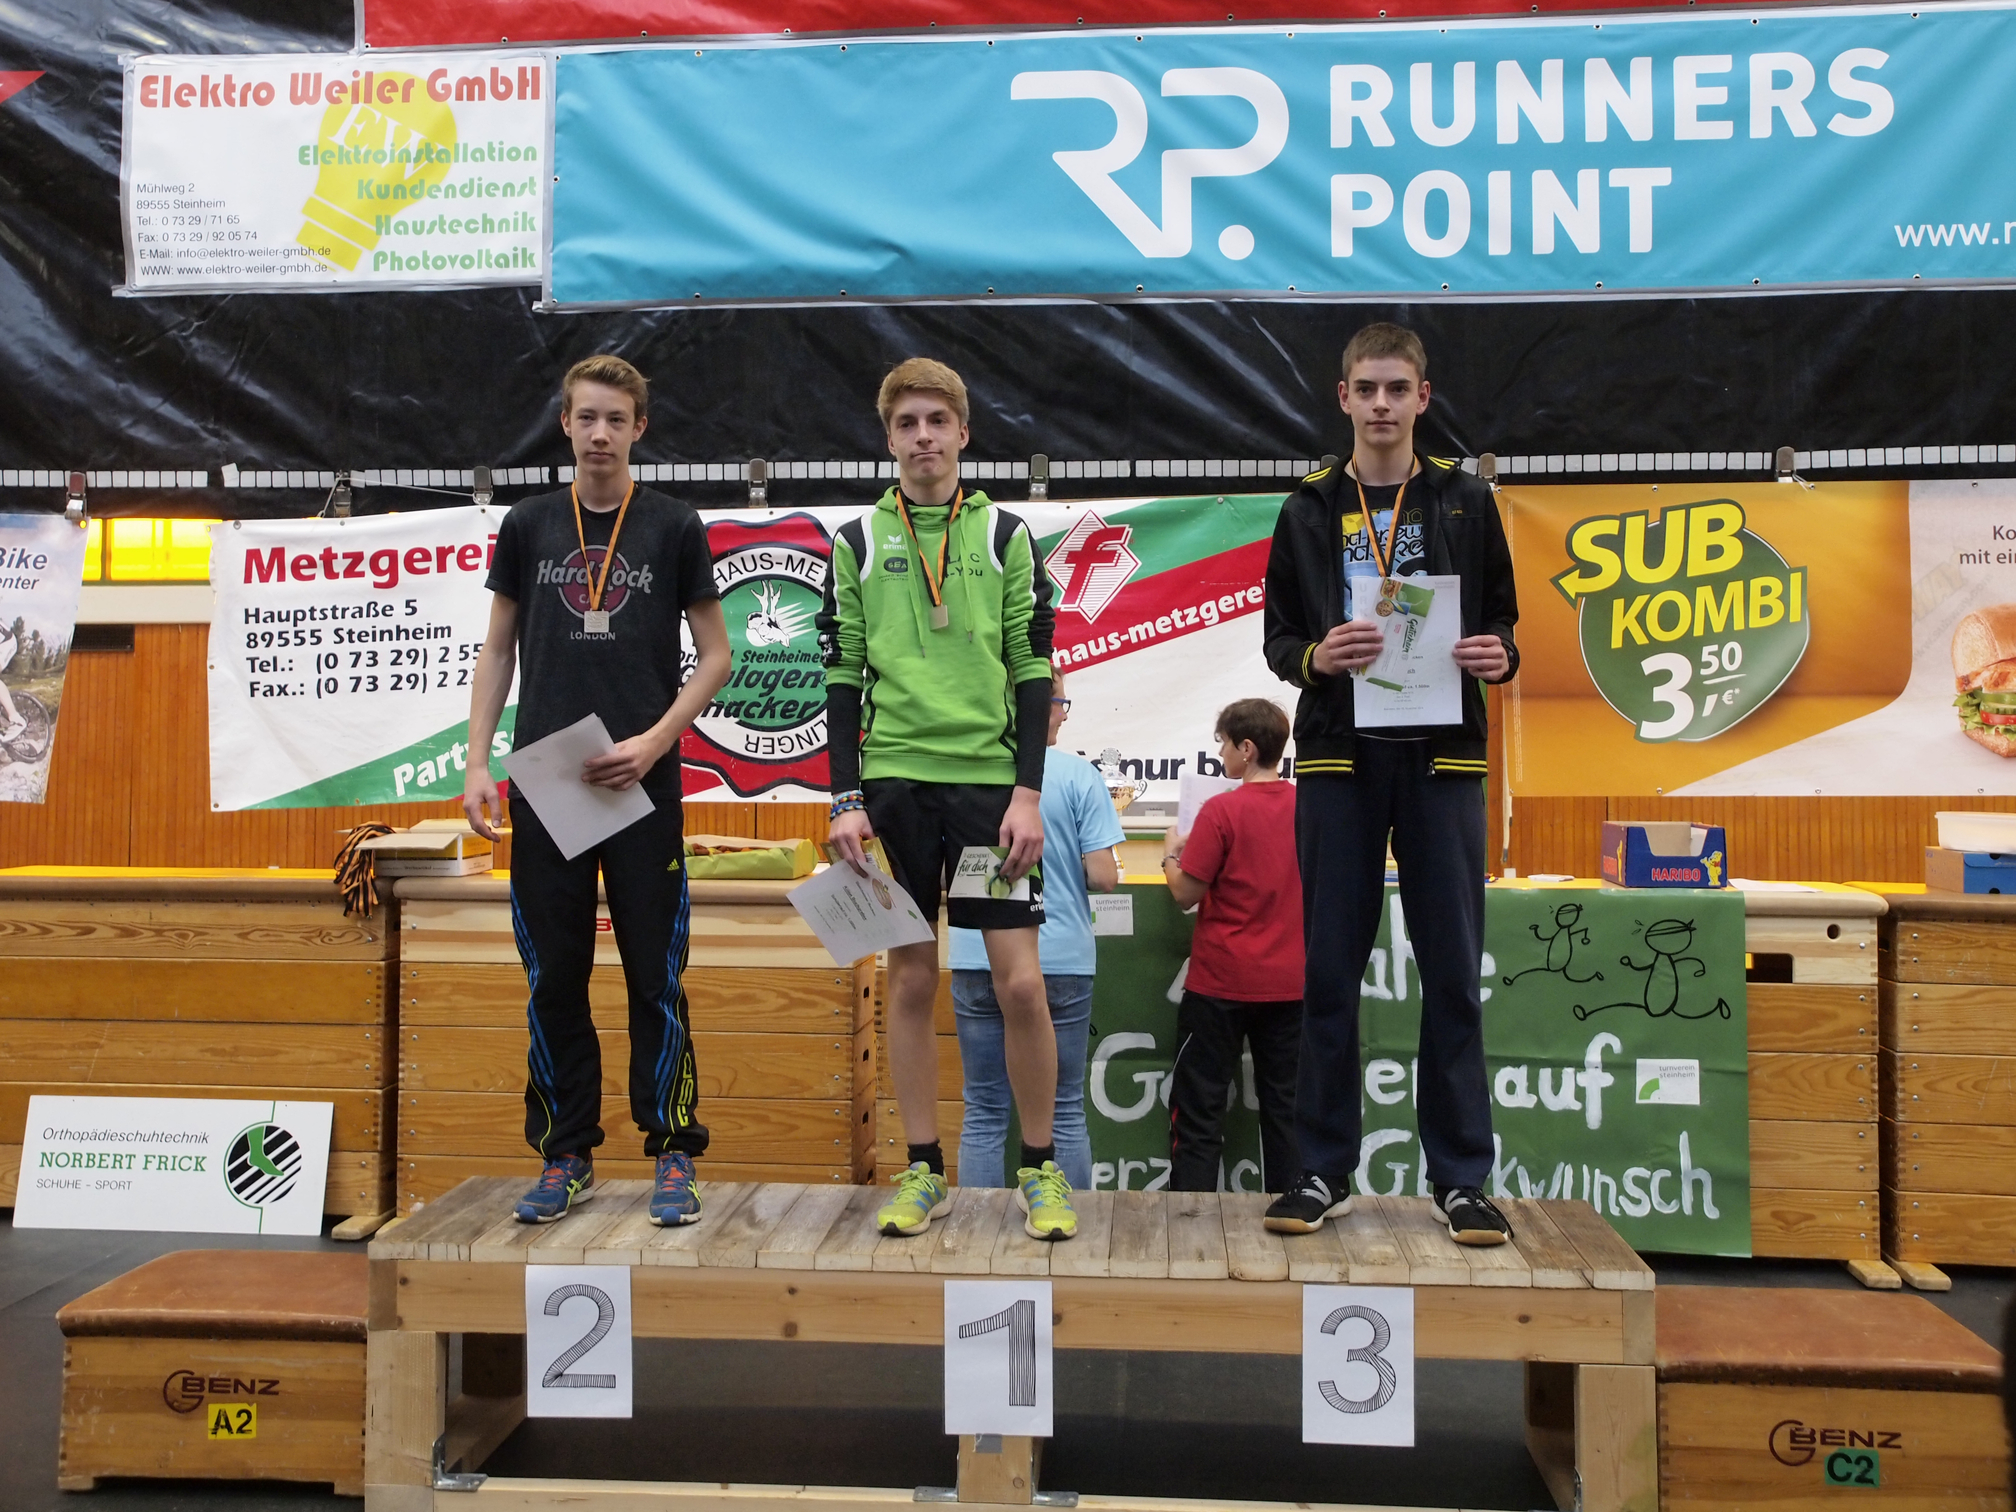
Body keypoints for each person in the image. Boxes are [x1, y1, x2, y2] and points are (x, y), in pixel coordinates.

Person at [1260, 322, 1520, 1245]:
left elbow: (1503, 623)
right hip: (1341, 760)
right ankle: (1321, 1170)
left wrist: (1498, 655)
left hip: (1443, 760)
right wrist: (1317, 658)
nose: (1380, 404)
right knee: (1328, 972)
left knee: (1452, 974)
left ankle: (1462, 1180)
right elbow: (1279, 639)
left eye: (1396, 389)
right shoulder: (1307, 508)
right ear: (1343, 398)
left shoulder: (1465, 498)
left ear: (1422, 396)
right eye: (1365, 389)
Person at [463, 354, 734, 1227]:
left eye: (617, 419)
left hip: (641, 787)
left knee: (656, 977)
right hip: (548, 787)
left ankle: (673, 1151)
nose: (600, 434)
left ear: (639, 428)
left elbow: (718, 656)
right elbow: (497, 649)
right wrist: (476, 762)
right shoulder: (529, 524)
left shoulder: (673, 525)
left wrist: (656, 740)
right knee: (555, 979)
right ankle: (565, 1153)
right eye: (587, 417)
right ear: (565, 424)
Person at [818, 356, 1077, 1241]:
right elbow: (842, 674)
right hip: (892, 789)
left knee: (1022, 985)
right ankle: (923, 1166)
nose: (923, 436)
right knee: (911, 978)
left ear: (964, 433)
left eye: (937, 421)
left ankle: (1039, 1168)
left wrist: (1028, 792)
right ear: (888, 439)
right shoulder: (856, 542)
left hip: (987, 793)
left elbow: (1034, 665)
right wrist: (844, 797)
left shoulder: (1005, 535)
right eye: (907, 423)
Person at [947, 666, 1125, 1190]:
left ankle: (977, 1227)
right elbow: (1104, 877)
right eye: (1060, 703)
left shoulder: (968, 772)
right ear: (1038, 706)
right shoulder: (1079, 776)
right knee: (1063, 1108)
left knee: (984, 1110)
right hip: (1060, 958)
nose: (1063, 716)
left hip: (978, 954)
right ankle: (1066, 1218)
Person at [1160, 699, 1302, 1193]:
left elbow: (1185, 893)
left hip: (1220, 983)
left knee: (1199, 1107)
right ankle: (1292, 1204)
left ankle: (1190, 1211)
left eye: (1222, 743)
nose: (1219, 753)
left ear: (1246, 748)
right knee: (1287, 1107)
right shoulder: (1307, 807)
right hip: (1291, 984)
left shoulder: (1221, 810)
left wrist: (1169, 855)